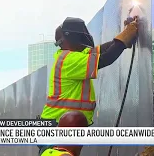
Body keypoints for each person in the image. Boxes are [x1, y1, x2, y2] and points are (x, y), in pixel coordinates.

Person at [38, 17, 138, 155]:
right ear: (72, 38)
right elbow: (105, 58)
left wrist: (123, 37)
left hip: (63, 127)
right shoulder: (69, 60)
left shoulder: (74, 55)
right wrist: (124, 39)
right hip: (57, 129)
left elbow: (102, 51)